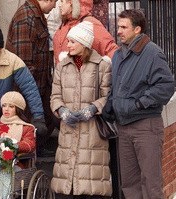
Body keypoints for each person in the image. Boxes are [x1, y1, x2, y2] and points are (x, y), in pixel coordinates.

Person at [102, 9, 175, 199]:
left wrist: (140, 104)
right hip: (123, 127)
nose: (118, 31)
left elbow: (166, 86)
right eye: (118, 26)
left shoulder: (152, 53)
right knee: (130, 184)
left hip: (146, 127)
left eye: (123, 27)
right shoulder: (119, 55)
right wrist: (111, 104)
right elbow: (117, 85)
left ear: (137, 29)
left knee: (151, 184)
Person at [50, 21, 112, 198]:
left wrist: (92, 109)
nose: (67, 45)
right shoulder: (62, 67)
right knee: (66, 186)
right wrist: (61, 110)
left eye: (72, 42)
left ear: (83, 43)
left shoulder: (102, 66)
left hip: (92, 133)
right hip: (68, 131)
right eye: (68, 41)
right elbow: (55, 96)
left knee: (90, 184)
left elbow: (108, 96)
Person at [6, 0, 58, 157]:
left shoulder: (34, 15)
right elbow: (24, 63)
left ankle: (36, 151)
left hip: (40, 85)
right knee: (29, 128)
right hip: (29, 90)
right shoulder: (26, 18)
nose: (55, 6)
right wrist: (31, 94)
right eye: (54, 2)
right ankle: (30, 160)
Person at [53, 0, 118, 65]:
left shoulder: (89, 23)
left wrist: (104, 71)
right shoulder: (64, 24)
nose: (59, 5)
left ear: (71, 3)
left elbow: (111, 50)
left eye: (62, 1)